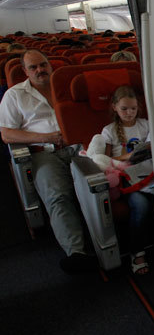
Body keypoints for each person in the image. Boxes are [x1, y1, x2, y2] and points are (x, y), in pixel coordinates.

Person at [0, 49, 93, 273]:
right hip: (44, 153)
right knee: (57, 196)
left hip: (77, 147)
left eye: (43, 65)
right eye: (33, 67)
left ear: (50, 64)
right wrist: (46, 137)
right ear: (24, 71)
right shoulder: (14, 95)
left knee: (97, 184)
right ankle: (76, 252)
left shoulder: (66, 86)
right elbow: (7, 134)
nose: (40, 70)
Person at [101, 85, 154, 275]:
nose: (129, 113)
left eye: (133, 108)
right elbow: (104, 161)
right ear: (114, 107)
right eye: (124, 109)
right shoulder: (108, 131)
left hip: (148, 173)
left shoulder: (146, 124)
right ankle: (137, 252)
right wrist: (124, 161)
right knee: (140, 206)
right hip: (125, 178)